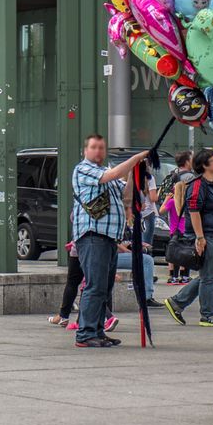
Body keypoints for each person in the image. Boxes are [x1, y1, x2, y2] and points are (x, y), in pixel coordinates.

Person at [71, 136, 150, 349]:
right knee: (95, 285)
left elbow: (125, 193)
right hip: (92, 235)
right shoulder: (84, 169)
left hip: (107, 237)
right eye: (93, 147)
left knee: (104, 287)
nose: (98, 151)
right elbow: (112, 175)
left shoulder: (106, 172)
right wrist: (135, 159)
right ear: (85, 150)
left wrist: (136, 172)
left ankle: (97, 331)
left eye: (101, 148)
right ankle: (85, 334)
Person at [165, 147, 213, 328]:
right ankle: (208, 315)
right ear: (204, 165)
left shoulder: (210, 185)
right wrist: (200, 237)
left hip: (212, 234)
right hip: (206, 236)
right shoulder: (198, 185)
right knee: (210, 277)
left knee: (207, 275)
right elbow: (193, 211)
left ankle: (177, 302)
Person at [47, 240, 118, 334]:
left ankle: (106, 318)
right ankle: (91, 320)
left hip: (84, 248)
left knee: (86, 285)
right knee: (95, 285)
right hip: (95, 248)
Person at [161, 149, 194, 283]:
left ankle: (173, 276)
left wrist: (166, 198)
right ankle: (184, 276)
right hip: (185, 228)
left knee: (174, 252)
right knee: (186, 252)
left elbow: (162, 210)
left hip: (173, 230)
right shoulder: (190, 180)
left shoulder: (172, 200)